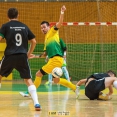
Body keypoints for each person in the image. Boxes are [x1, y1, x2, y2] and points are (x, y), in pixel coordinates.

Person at [20, 5, 79, 99]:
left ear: (49, 27)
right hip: (53, 60)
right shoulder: (46, 40)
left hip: (56, 59)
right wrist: (34, 56)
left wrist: (62, 12)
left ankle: (29, 92)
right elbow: (45, 55)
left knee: (38, 74)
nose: (42, 29)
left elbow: (60, 23)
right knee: (56, 80)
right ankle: (75, 88)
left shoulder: (53, 31)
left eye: (44, 27)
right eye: (41, 28)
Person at [0, 8, 41, 111]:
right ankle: (36, 103)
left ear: (7, 16)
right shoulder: (24, 26)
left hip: (9, 56)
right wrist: (28, 54)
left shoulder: (5, 26)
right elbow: (34, 41)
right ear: (18, 15)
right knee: (28, 80)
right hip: (22, 56)